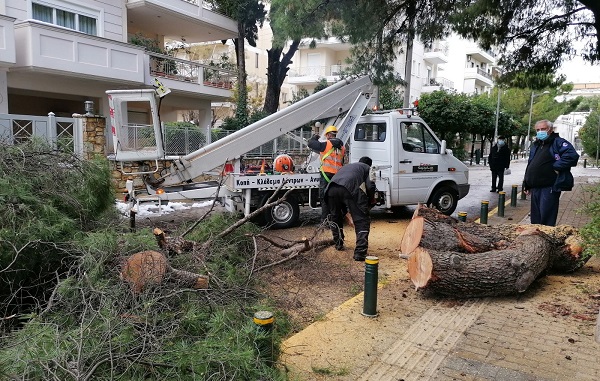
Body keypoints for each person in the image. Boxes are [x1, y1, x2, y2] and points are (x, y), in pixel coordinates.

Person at [523, 120, 579, 226]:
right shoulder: (536, 145)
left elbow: (572, 156)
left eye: (543, 129)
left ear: (550, 129)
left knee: (546, 218)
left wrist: (556, 167)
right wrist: (527, 183)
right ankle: (536, 239)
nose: (540, 132)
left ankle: (546, 239)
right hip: (535, 187)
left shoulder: (558, 142)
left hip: (549, 187)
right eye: (538, 130)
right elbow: (531, 164)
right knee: (535, 220)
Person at [324, 156, 376, 261]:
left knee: (336, 217)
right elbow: (370, 186)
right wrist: (371, 199)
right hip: (349, 188)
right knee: (362, 220)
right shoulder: (368, 168)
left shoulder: (347, 166)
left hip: (330, 189)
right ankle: (360, 253)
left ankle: (338, 243)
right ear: (369, 164)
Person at [308, 125, 346, 221]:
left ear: (328, 135)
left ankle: (325, 221)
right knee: (336, 198)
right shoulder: (342, 147)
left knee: (324, 198)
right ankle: (336, 220)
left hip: (326, 175)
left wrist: (315, 137)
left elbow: (311, 144)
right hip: (338, 176)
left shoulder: (326, 145)